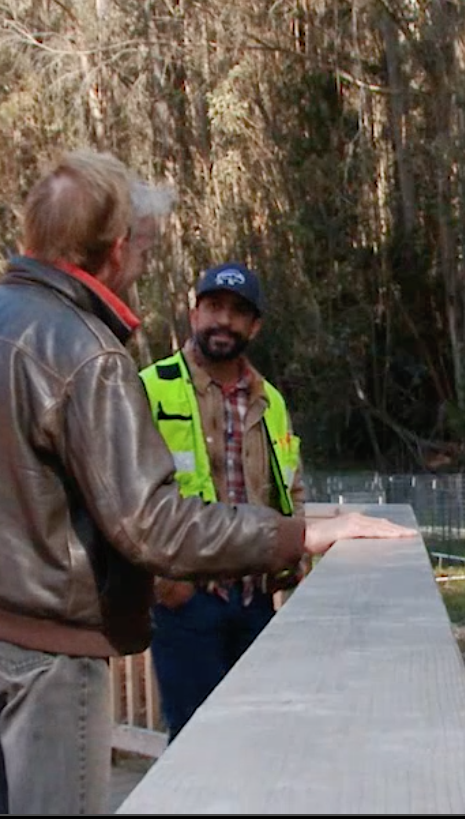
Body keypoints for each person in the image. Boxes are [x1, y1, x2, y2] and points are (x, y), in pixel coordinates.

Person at [0, 149, 415, 815]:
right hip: (53, 646)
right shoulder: (85, 350)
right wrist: (304, 535)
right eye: (142, 248)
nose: (144, 263)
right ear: (115, 247)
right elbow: (151, 523)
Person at [141, 260, 304, 738]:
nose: (223, 321)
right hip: (187, 599)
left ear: (254, 326)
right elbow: (127, 498)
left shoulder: (270, 400)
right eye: (213, 307)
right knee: (194, 744)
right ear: (193, 316)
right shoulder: (150, 386)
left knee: (256, 739)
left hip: (254, 598)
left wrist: (290, 563)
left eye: (237, 312)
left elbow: (290, 485)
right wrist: (165, 582)